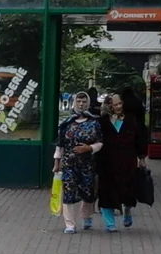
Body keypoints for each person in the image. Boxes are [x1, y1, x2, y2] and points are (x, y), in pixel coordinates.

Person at [95, 93, 148, 232]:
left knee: (128, 191)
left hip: (127, 161)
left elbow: (139, 139)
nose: (118, 106)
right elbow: (96, 141)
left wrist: (142, 158)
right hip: (107, 162)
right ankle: (110, 224)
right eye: (115, 104)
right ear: (109, 105)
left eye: (120, 103)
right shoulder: (102, 122)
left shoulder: (131, 119)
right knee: (106, 192)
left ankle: (127, 210)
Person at [53, 91, 104, 234]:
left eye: (84, 102)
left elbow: (100, 142)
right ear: (74, 103)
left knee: (88, 191)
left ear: (88, 104)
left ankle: (86, 216)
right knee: (68, 191)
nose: (81, 105)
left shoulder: (94, 122)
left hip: (87, 163)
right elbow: (60, 144)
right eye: (78, 102)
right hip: (69, 164)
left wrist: (89, 148)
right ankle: (69, 224)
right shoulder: (66, 123)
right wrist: (57, 162)